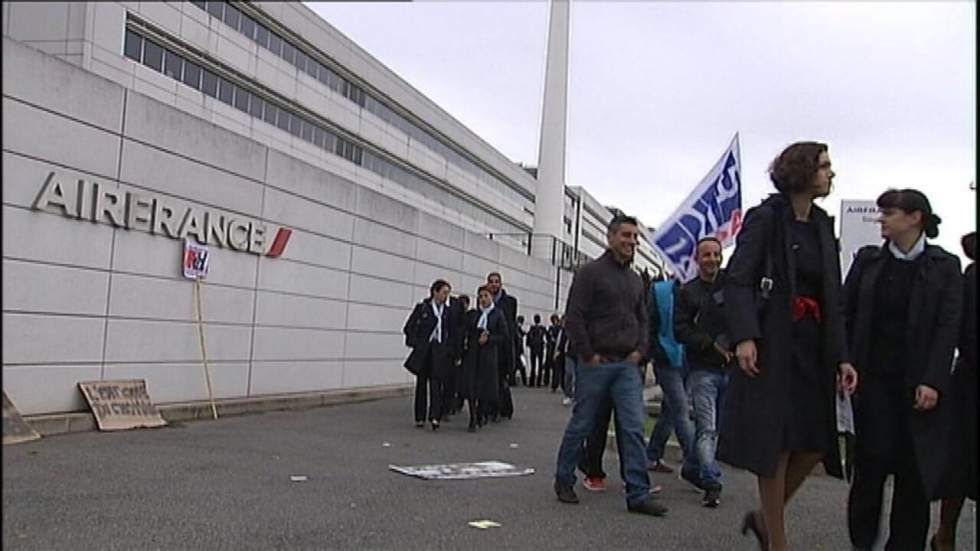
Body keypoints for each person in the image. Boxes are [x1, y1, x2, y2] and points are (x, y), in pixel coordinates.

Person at [719, 141, 858, 551]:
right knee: (775, 443)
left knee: (815, 443)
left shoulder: (821, 225)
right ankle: (778, 542)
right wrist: (745, 335)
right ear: (801, 172)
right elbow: (739, 277)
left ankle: (765, 519)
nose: (831, 174)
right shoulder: (766, 219)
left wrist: (843, 355)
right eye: (824, 167)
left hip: (813, 348)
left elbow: (834, 298)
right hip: (773, 345)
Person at [843, 189, 962, 551]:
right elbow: (844, 312)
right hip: (874, 383)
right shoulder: (868, 261)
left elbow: (948, 325)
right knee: (869, 470)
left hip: (918, 388)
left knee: (913, 476)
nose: (882, 220)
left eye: (890, 213)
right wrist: (845, 359)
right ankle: (863, 543)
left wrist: (933, 379)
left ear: (915, 218)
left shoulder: (944, 266)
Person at [553, 214, 668, 517]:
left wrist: (640, 351)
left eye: (635, 237)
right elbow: (574, 316)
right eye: (626, 236)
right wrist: (588, 354)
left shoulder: (635, 280)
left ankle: (638, 493)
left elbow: (643, 319)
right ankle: (564, 479)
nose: (632, 242)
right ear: (610, 237)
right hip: (595, 363)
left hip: (627, 366)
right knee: (582, 425)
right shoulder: (590, 274)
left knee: (632, 428)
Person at [674, 236, 732, 508]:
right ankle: (711, 481)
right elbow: (680, 329)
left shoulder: (731, 286)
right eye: (706, 255)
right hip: (702, 370)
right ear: (697, 259)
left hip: (730, 370)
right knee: (707, 428)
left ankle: (691, 467)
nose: (712, 260)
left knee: (717, 428)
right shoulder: (687, 292)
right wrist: (711, 345)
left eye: (716, 254)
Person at [931, 231, 976, 551]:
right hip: (971, 384)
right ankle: (945, 535)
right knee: (961, 465)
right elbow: (963, 330)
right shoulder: (972, 277)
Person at [645, 274, 698, 482]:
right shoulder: (661, 291)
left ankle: (652, 455)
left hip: (689, 358)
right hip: (667, 358)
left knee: (670, 411)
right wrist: (655, 352)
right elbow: (650, 325)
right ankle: (696, 464)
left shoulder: (700, 291)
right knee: (681, 408)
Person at [402, 279, 457, 431]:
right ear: (435, 292)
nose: (446, 296)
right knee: (422, 382)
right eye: (444, 292)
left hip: (439, 349)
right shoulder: (423, 308)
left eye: (448, 293)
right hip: (425, 348)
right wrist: (416, 343)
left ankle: (435, 416)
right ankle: (420, 416)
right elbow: (409, 327)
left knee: (436, 383)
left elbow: (452, 332)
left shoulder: (448, 312)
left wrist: (449, 349)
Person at [461, 286, 508, 432]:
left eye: (486, 296)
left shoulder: (497, 314)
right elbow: (465, 330)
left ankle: (481, 413)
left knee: (484, 386)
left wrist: (490, 339)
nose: (483, 299)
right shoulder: (474, 315)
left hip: (488, 354)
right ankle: (473, 417)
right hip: (473, 354)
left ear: (491, 297)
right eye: (480, 296)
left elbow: (504, 336)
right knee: (471, 385)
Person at [486, 272, 518, 420]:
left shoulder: (510, 302)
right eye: (491, 282)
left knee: (500, 379)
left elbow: (510, 327)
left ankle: (503, 408)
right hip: (489, 344)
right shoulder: (484, 299)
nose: (494, 284)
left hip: (503, 345)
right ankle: (492, 408)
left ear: (501, 284)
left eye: (496, 282)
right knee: (490, 379)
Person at [526, 314, 547, 387]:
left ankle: (532, 382)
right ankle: (539, 382)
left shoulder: (532, 328)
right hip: (540, 347)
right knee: (540, 365)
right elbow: (546, 337)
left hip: (533, 348)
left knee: (533, 365)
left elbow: (528, 337)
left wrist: (528, 345)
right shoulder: (542, 328)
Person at [550, 315, 568, 396]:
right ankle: (555, 385)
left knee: (563, 370)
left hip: (563, 352)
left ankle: (564, 386)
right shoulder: (559, 330)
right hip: (558, 351)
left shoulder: (567, 331)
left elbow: (563, 342)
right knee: (557, 369)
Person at [514, 315, 529, 386]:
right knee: (522, 366)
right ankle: (524, 381)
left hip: (517, 351)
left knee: (518, 366)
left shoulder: (517, 329)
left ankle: (515, 380)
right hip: (518, 351)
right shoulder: (516, 329)